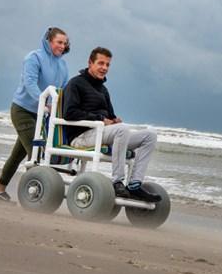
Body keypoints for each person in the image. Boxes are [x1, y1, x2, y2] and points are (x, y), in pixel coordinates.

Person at [62, 47, 161, 202]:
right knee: (122, 130)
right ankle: (117, 181)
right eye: (101, 63)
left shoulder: (103, 90)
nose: (104, 68)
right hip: (80, 137)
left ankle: (134, 185)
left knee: (150, 135)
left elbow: (110, 116)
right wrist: (100, 119)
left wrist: (114, 120)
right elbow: (69, 113)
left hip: (103, 134)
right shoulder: (75, 84)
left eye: (107, 65)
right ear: (90, 63)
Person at [0, 27, 70, 202]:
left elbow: (62, 90)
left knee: (18, 154)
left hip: (42, 116)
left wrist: (57, 109)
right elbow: (30, 83)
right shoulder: (34, 58)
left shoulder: (63, 65)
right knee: (36, 154)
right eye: (59, 42)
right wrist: (44, 103)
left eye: (65, 43)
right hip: (22, 111)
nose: (62, 46)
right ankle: (33, 195)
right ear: (49, 41)